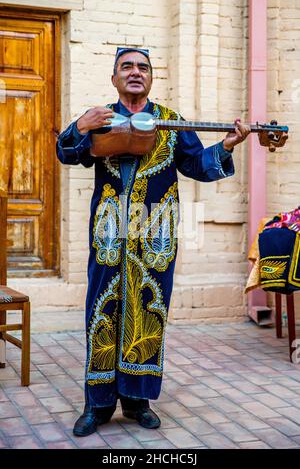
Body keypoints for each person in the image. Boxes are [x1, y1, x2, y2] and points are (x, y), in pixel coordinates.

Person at [56, 47, 250, 437]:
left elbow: (196, 165)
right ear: (114, 78)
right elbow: (67, 154)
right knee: (103, 312)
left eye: (143, 67)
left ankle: (137, 402)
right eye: (126, 66)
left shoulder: (170, 122)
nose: (135, 72)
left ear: (151, 78)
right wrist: (79, 125)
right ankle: (97, 405)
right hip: (109, 236)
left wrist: (227, 145)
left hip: (154, 237)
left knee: (148, 312)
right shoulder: (100, 119)